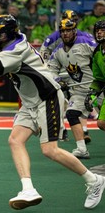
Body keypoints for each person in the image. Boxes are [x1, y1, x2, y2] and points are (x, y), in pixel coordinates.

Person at [0, 7, 105, 210]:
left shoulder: (17, 49)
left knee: (50, 150)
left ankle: (93, 180)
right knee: (15, 140)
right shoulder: (1, 33)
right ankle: (28, 190)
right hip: (30, 102)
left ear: (5, 34)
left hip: (48, 98)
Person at [47, 18, 96, 159]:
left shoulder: (87, 43)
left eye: (68, 30)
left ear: (74, 31)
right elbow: (51, 69)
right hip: (79, 92)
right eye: (63, 31)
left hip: (98, 89)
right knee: (71, 114)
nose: (65, 34)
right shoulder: (58, 51)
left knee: (102, 123)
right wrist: (58, 80)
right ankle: (81, 149)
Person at [84, 20, 105, 131]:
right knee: (101, 123)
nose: (99, 33)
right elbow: (99, 79)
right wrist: (91, 93)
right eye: (97, 31)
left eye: (102, 30)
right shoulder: (97, 53)